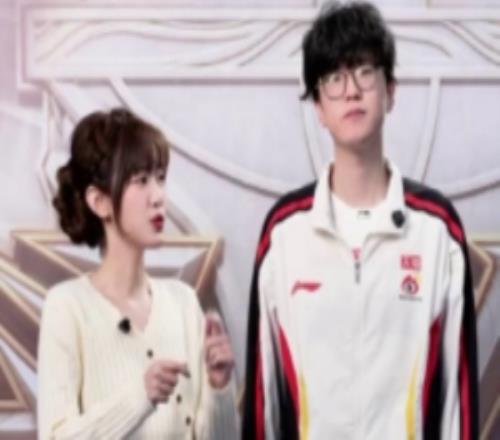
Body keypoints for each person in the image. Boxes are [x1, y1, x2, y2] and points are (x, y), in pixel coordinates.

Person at [242, 2, 478, 439]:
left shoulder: (436, 231)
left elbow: (458, 407)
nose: (351, 90)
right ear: (318, 106)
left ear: (390, 91)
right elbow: (263, 402)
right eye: (334, 78)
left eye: (365, 72)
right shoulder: (284, 234)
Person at [37, 108, 238, 439]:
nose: (158, 197)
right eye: (141, 181)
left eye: (160, 178)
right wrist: (140, 396)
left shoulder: (183, 302)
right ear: (99, 201)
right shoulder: (67, 307)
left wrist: (219, 390)